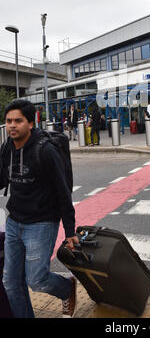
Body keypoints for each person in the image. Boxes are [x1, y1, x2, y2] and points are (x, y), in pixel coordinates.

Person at [0, 99, 79, 319]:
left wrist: (70, 232)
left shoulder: (46, 151)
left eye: (18, 121)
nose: (12, 125)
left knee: (36, 280)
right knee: (10, 282)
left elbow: (63, 192)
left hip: (42, 223)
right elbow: (2, 179)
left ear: (31, 123)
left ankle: (66, 288)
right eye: (8, 121)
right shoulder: (7, 147)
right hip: (14, 221)